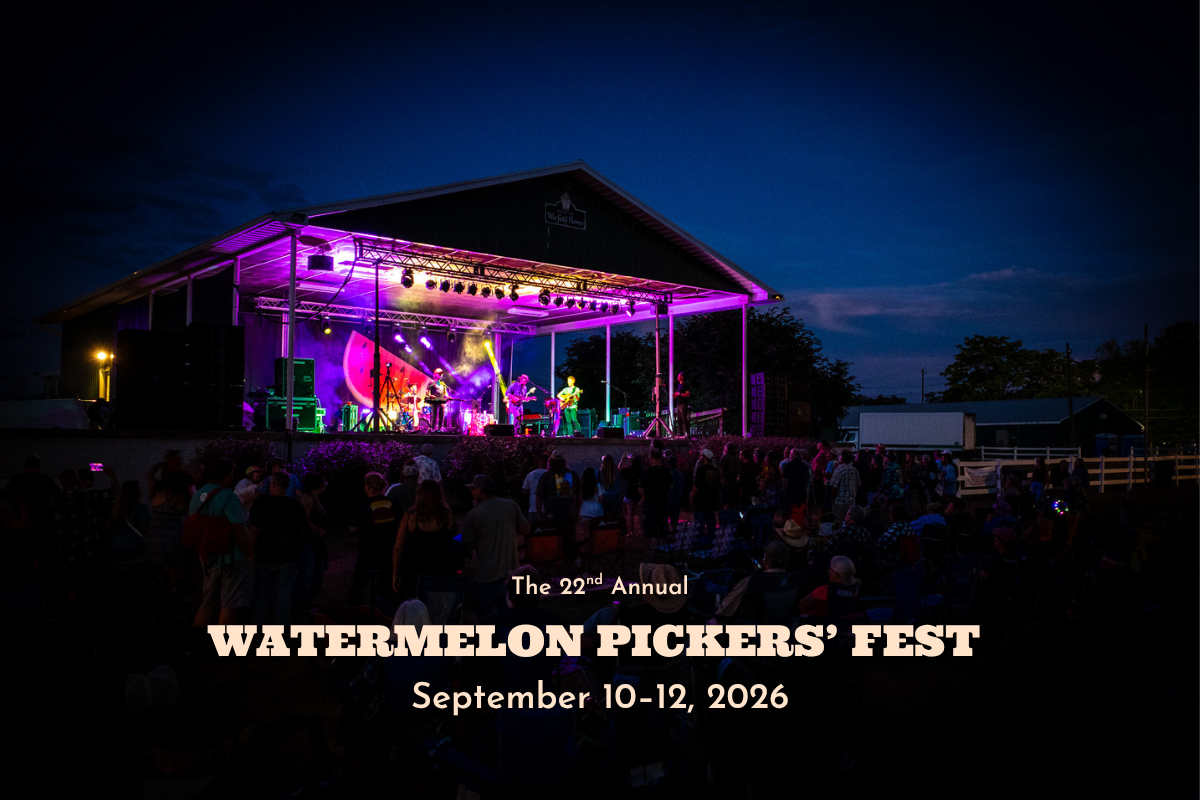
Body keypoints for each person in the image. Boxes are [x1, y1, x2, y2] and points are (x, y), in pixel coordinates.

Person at [190, 458, 255, 627]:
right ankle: (225, 647)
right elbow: (238, 528)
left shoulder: (198, 495)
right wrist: (249, 554)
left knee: (207, 603)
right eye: (232, 473)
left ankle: (195, 644)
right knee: (229, 605)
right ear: (225, 476)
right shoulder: (228, 496)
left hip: (207, 555)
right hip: (231, 557)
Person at [459, 474, 528, 619]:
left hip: (485, 577)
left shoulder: (473, 515)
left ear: (479, 491)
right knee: (510, 618)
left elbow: (467, 547)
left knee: (486, 620)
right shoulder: (511, 505)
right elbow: (525, 529)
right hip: (510, 573)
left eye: (473, 489)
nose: (472, 492)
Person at [248, 471, 311, 624]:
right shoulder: (295, 506)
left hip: (265, 554)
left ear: (273, 484)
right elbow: (302, 530)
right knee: (284, 591)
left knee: (263, 591)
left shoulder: (261, 504)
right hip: (288, 554)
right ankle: (281, 625)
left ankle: (259, 624)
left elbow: (254, 530)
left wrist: (250, 550)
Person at [392, 480, 458, 598]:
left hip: (413, 571)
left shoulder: (411, 515)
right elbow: (452, 534)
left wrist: (396, 573)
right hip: (439, 570)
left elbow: (398, 546)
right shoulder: (446, 514)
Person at [347, 472, 399, 605]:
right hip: (388, 552)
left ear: (368, 487)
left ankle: (354, 614)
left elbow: (352, 529)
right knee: (385, 587)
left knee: (358, 585)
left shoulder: (362, 506)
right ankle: (385, 614)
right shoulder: (394, 504)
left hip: (367, 552)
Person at [294, 472, 329, 616]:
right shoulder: (308, 499)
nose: (325, 484)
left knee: (317, 572)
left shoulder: (315, 499)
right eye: (323, 481)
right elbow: (302, 519)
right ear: (319, 484)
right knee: (307, 573)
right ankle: (300, 605)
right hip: (308, 542)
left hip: (316, 542)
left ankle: (308, 602)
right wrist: (317, 530)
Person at [797, 555, 861, 620]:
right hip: (845, 624)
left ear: (837, 574)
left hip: (822, 624)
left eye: (830, 569)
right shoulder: (856, 588)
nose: (828, 571)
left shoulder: (824, 591)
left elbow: (801, 606)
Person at [109, 479, 150, 564]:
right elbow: (144, 528)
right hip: (135, 545)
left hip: (117, 545)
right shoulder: (141, 508)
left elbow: (109, 526)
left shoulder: (115, 508)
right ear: (135, 491)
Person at [639, 449, 672, 540]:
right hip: (663, 503)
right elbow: (670, 487)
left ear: (651, 459)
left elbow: (641, 490)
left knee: (652, 531)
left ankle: (653, 551)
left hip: (651, 505)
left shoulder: (647, 473)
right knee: (663, 529)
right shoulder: (666, 472)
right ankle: (663, 549)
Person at [536, 455, 580, 524]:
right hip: (568, 514)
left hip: (551, 513)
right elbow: (579, 496)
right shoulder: (572, 475)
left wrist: (539, 514)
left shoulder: (546, 476)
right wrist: (576, 512)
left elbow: (539, 497)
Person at [691, 449, 721, 544]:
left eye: (701, 455)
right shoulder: (716, 471)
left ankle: (699, 545)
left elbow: (696, 487)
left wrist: (692, 496)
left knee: (699, 525)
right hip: (711, 502)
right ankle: (711, 543)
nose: (699, 457)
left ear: (705, 458)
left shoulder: (701, 470)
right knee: (711, 525)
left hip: (701, 502)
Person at [876, 503, 919, 568]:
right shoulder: (907, 525)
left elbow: (884, 542)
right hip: (908, 555)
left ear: (893, 515)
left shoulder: (897, 527)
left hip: (897, 557)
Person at [828, 450, 862, 521]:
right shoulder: (854, 470)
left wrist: (832, 499)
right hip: (851, 502)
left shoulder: (838, 470)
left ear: (842, 458)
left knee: (839, 522)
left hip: (840, 502)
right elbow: (858, 485)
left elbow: (834, 487)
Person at [782, 448, 811, 521]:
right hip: (801, 494)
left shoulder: (789, 465)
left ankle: (789, 529)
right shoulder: (804, 466)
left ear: (793, 455)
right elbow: (808, 479)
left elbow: (785, 480)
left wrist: (784, 491)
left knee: (789, 514)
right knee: (799, 514)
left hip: (790, 494)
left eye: (790, 454)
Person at [521, 452, 549, 517]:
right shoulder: (550, 475)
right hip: (547, 508)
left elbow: (524, 491)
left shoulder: (531, 474)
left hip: (533, 508)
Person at [718, 443, 741, 510]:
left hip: (726, 484)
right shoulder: (737, 458)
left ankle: (726, 518)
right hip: (735, 483)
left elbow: (721, 470)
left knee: (726, 503)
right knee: (734, 504)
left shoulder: (725, 457)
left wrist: (721, 480)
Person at [666, 455, 685, 533]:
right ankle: (674, 535)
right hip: (677, 500)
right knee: (675, 520)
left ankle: (667, 538)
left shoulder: (669, 475)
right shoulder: (679, 474)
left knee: (666, 519)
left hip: (669, 500)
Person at [672, 372, 690, 437]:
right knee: (679, 419)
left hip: (683, 404)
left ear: (682, 377)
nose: (677, 378)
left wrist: (679, 394)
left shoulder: (685, 385)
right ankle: (680, 432)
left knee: (684, 418)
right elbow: (679, 394)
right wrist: (675, 395)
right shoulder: (679, 385)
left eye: (679, 376)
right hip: (678, 404)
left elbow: (688, 394)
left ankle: (687, 433)